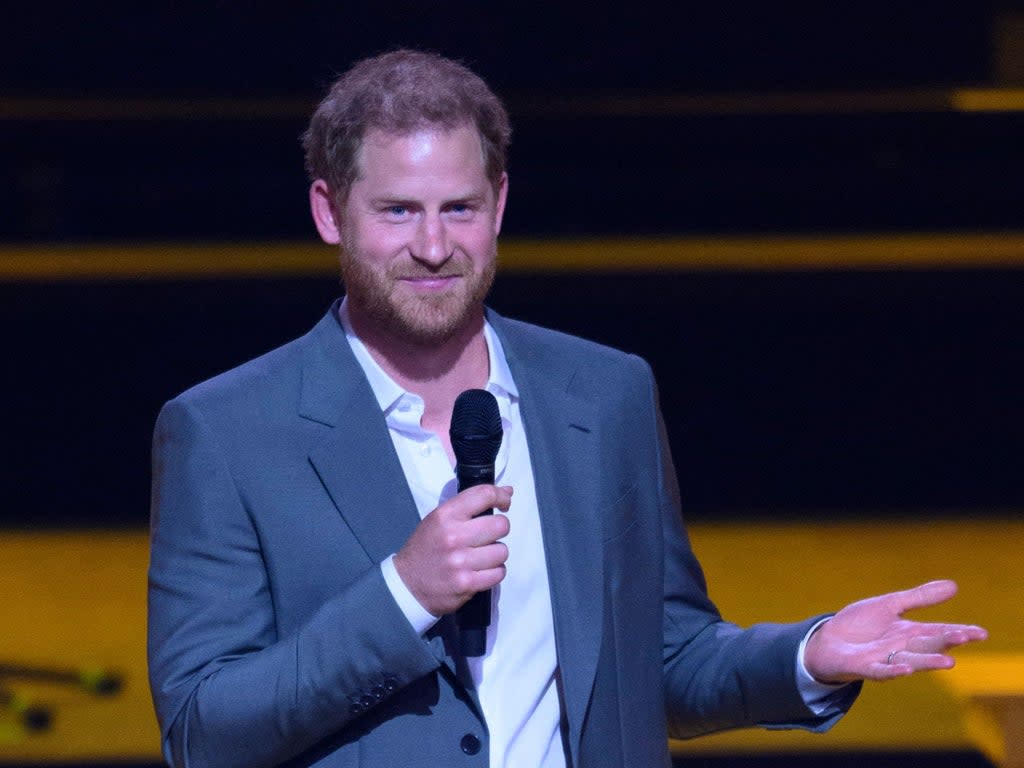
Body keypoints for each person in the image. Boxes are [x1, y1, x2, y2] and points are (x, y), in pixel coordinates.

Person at [147, 49, 987, 768]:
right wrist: (403, 594)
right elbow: (202, 731)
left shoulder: (605, 396)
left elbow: (660, 663)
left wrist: (808, 656)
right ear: (330, 212)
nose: (434, 246)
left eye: (460, 209)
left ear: (500, 205)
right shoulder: (227, 432)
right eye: (398, 210)